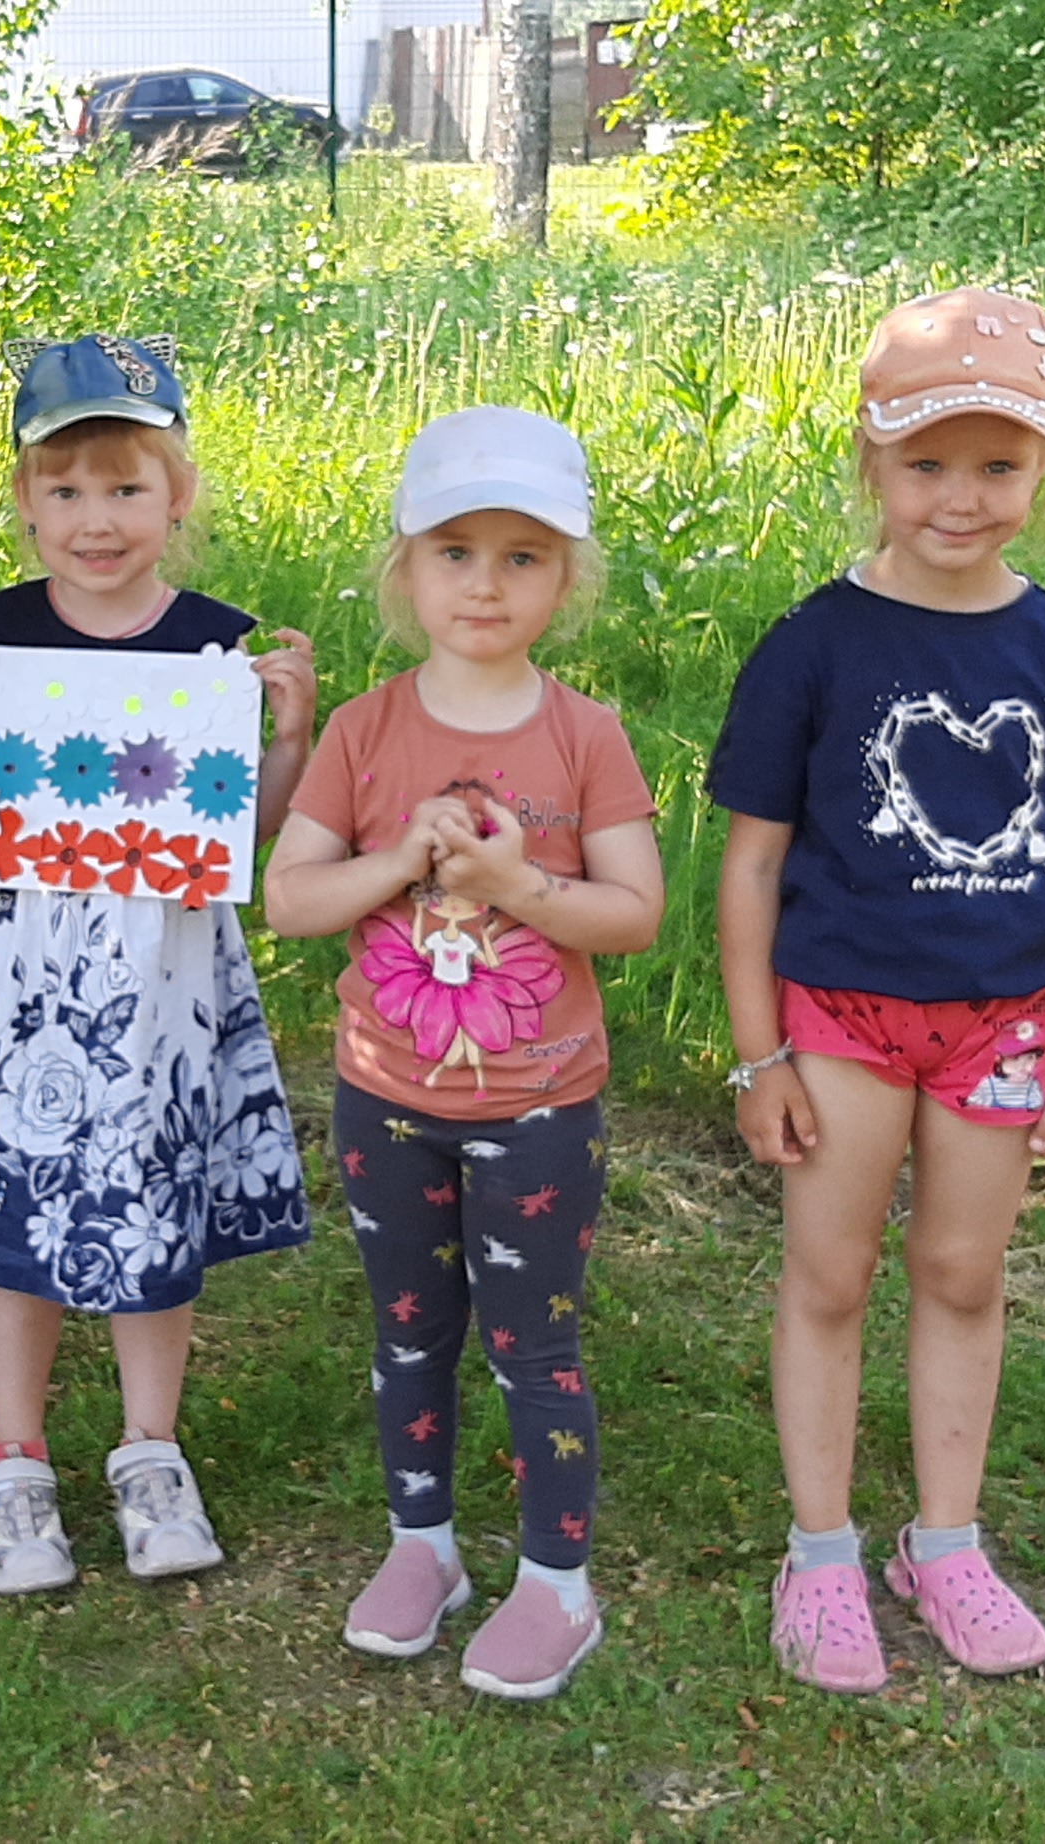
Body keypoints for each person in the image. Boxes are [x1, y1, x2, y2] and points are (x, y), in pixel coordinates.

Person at [708, 288, 1045, 1690]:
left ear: (1044, 469)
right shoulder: (811, 645)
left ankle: (943, 1543)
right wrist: (759, 1054)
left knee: (962, 1271)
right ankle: (821, 1551)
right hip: (841, 1016)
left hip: (1009, 1022)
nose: (961, 496)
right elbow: (752, 864)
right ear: (871, 460)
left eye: (998, 464)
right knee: (830, 1274)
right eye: (926, 462)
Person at [0, 334, 318, 1595]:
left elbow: (245, 829)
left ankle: (148, 1449)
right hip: (17, 977)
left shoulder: (212, 648)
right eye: (65, 489)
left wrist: (289, 735)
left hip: (161, 978)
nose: (96, 518)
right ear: (25, 501)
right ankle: (15, 1460)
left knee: (146, 1196)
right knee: (13, 1199)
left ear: (178, 495)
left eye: (126, 486)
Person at [262, 407, 664, 1700]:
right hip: (384, 1097)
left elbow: (635, 914)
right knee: (408, 1333)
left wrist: (515, 886)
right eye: (455, 552)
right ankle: (421, 1545)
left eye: (521, 556)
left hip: (539, 1107)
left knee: (534, 1347)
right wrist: (399, 859)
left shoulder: (585, 735)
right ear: (405, 566)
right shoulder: (365, 730)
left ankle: (557, 1581)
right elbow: (290, 898)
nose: (484, 584)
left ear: (565, 578)